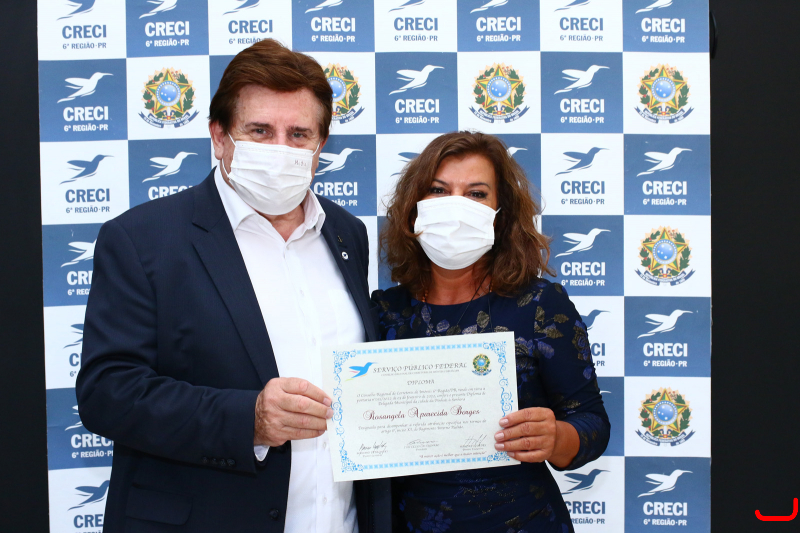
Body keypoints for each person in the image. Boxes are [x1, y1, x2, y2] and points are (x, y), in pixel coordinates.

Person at [76, 39, 389, 532]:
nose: (280, 149)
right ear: (220, 137)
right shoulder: (142, 239)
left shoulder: (347, 233)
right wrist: (250, 419)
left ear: (320, 147)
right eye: (259, 131)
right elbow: (107, 393)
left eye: (299, 134)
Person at [372, 131, 610, 533]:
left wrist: (555, 437)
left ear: (501, 213)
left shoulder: (539, 305)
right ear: (414, 207)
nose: (456, 206)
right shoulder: (383, 311)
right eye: (438, 190)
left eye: (476, 194)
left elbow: (593, 424)